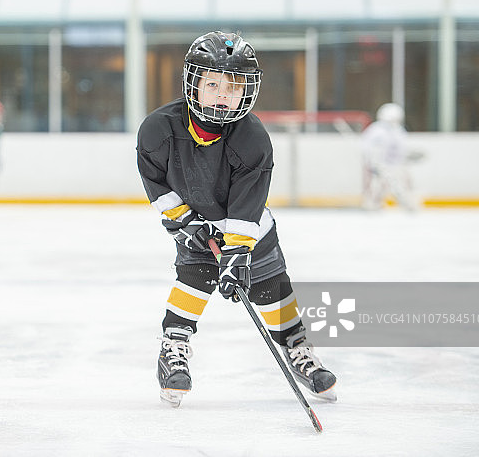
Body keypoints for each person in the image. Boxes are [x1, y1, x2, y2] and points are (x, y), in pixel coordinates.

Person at [136, 31, 337, 407]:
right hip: (195, 224)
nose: (223, 94)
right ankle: (173, 348)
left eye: (234, 85)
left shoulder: (253, 139)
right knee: (195, 277)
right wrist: (183, 221)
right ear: (193, 84)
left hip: (248, 228)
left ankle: (296, 346)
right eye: (213, 84)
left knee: (271, 286)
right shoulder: (158, 129)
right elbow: (156, 182)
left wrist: (238, 253)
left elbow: (248, 205)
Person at [361, 103, 420, 211]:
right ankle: (373, 203)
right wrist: (373, 164)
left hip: (395, 164)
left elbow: (402, 149)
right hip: (380, 164)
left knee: (405, 182)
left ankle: (409, 202)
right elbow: (368, 150)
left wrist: (405, 158)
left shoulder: (399, 130)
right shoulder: (376, 130)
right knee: (379, 184)